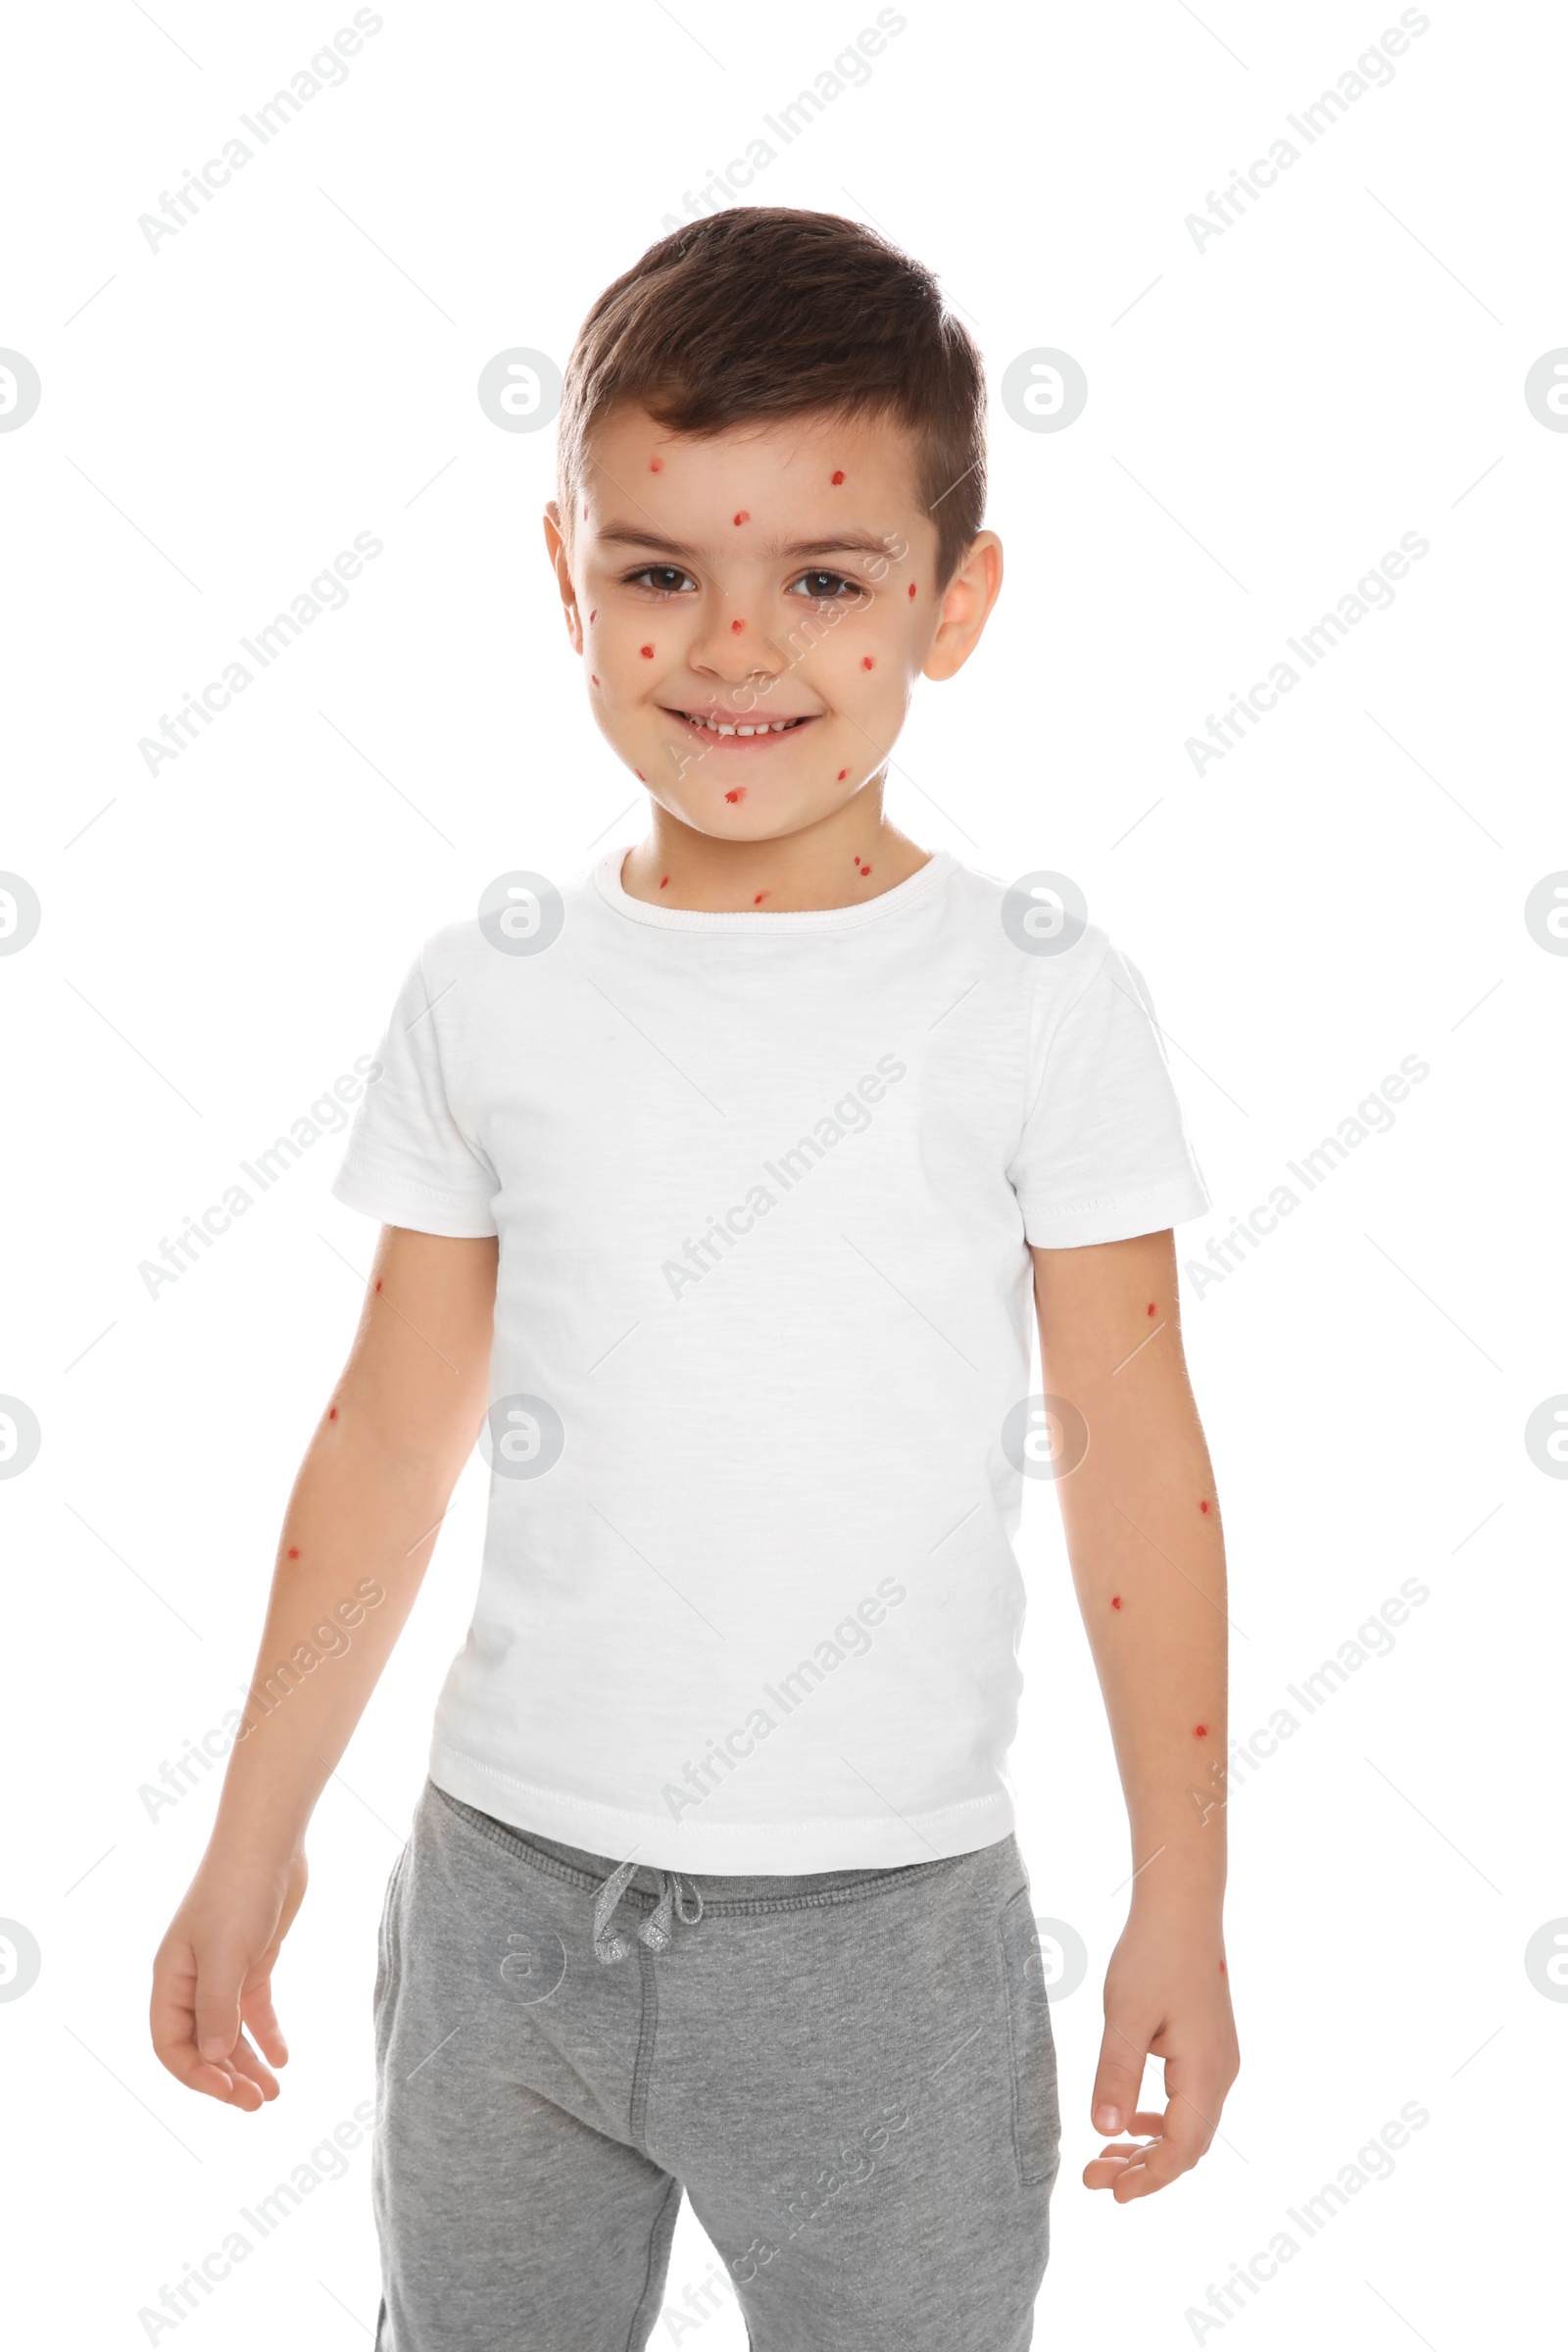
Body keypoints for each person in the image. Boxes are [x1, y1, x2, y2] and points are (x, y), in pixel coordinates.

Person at [151, 205, 1239, 2351]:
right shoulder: (492, 988)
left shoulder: (1030, 992)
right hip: (502, 1916)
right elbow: (385, 1440)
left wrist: (1180, 1904)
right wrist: (248, 1836)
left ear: (954, 604)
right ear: (565, 576)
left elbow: (1138, 1465)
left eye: (824, 581)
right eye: (658, 570)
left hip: (889, 1944)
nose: (735, 648)